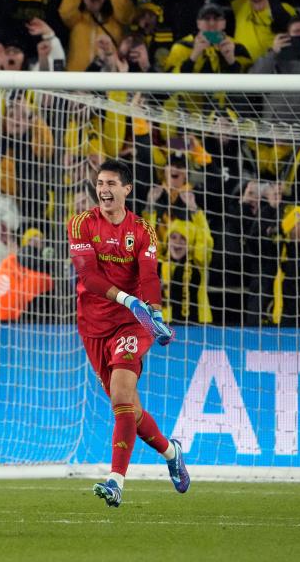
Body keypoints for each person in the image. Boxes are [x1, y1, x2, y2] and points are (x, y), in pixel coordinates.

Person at [66, 158, 188, 507]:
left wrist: (152, 312)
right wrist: (129, 299)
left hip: (132, 322)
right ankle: (170, 452)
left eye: (111, 184)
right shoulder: (80, 224)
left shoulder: (143, 230)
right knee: (128, 408)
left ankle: (116, 480)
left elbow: (149, 276)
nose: (103, 190)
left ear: (126, 189)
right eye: (100, 183)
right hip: (93, 325)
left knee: (121, 394)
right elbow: (88, 276)